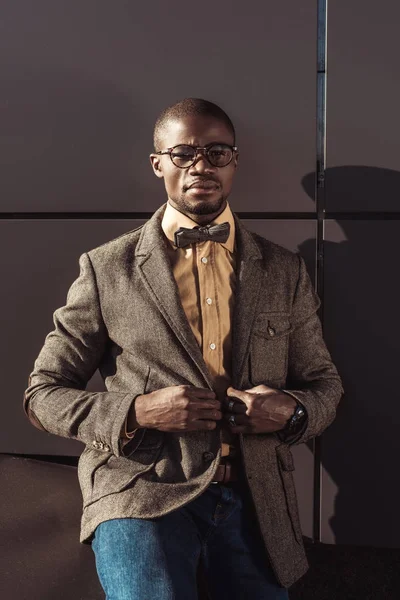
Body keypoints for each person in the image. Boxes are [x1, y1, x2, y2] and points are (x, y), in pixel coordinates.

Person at [24, 98, 343, 600]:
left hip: (257, 499)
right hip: (142, 491)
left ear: (234, 161)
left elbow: (324, 384)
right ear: (158, 164)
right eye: (184, 153)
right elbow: (42, 395)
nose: (201, 166)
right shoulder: (107, 269)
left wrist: (293, 411)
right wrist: (138, 411)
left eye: (217, 152)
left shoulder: (284, 270)